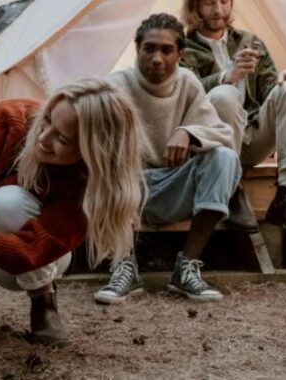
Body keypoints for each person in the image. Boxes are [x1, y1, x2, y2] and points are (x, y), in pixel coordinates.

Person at [0, 78, 149, 346]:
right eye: (47, 120)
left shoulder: (87, 187)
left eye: (62, 138)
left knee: (8, 202)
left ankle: (43, 301)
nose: (43, 138)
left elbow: (29, 253)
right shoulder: (9, 119)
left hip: (31, 259)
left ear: (93, 152)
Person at [95, 13, 240, 304]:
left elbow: (223, 134)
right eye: (149, 49)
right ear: (138, 50)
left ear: (180, 53)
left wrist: (189, 132)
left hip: (174, 185)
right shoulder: (116, 86)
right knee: (102, 160)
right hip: (127, 191)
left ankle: (186, 268)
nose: (157, 58)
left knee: (224, 157)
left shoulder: (187, 83)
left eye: (166, 50)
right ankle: (123, 264)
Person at [180, 0, 286, 236]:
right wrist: (226, 76)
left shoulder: (249, 41)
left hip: (252, 136)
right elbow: (183, 96)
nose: (218, 10)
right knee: (225, 94)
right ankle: (231, 190)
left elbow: (270, 91)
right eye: (210, 3)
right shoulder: (182, 47)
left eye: (224, 2)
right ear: (195, 7)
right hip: (213, 147)